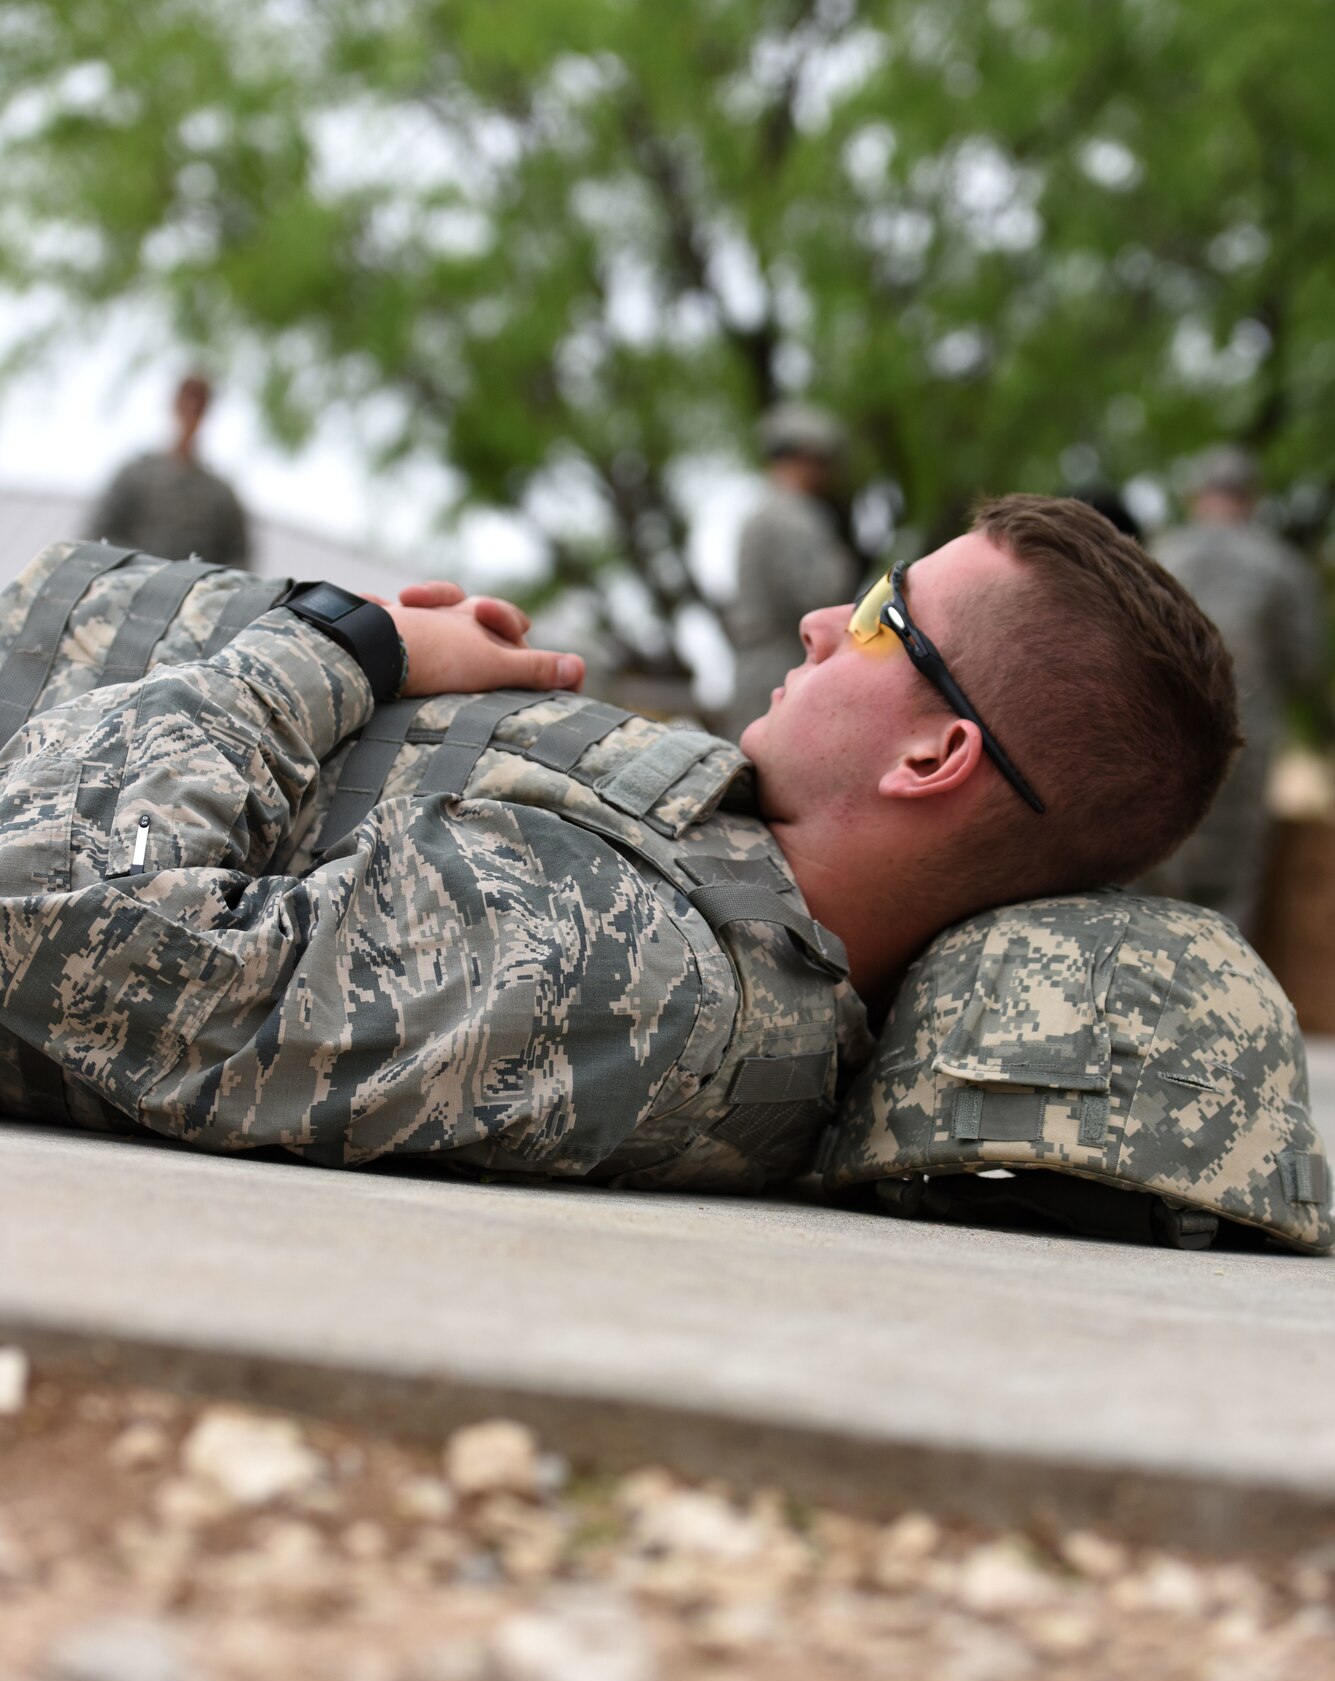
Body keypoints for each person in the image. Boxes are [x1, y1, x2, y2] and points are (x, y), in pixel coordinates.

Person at [0, 498, 1238, 1190]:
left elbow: (55, 909)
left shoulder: (641, 972)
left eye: (879, 617)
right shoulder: (708, 878)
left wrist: (339, 647)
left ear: (933, 757)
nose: (817, 622)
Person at [1139, 446, 1326, 938]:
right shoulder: (1282, 567)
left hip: (1162, 738)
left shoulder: (1159, 556)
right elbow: (1305, 664)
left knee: (1156, 866)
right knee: (1232, 886)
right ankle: (1219, 1000)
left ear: (1197, 494)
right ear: (1252, 498)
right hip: (1246, 741)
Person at [719, 402, 861, 740]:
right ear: (804, 458)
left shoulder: (759, 515)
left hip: (755, 664)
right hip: (784, 665)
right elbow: (819, 595)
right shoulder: (795, 517)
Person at [86, 374, 251, 569]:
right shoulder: (135, 475)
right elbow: (98, 535)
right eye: (186, 401)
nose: (190, 412)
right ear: (175, 404)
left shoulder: (220, 495)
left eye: (198, 406)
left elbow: (238, 559)